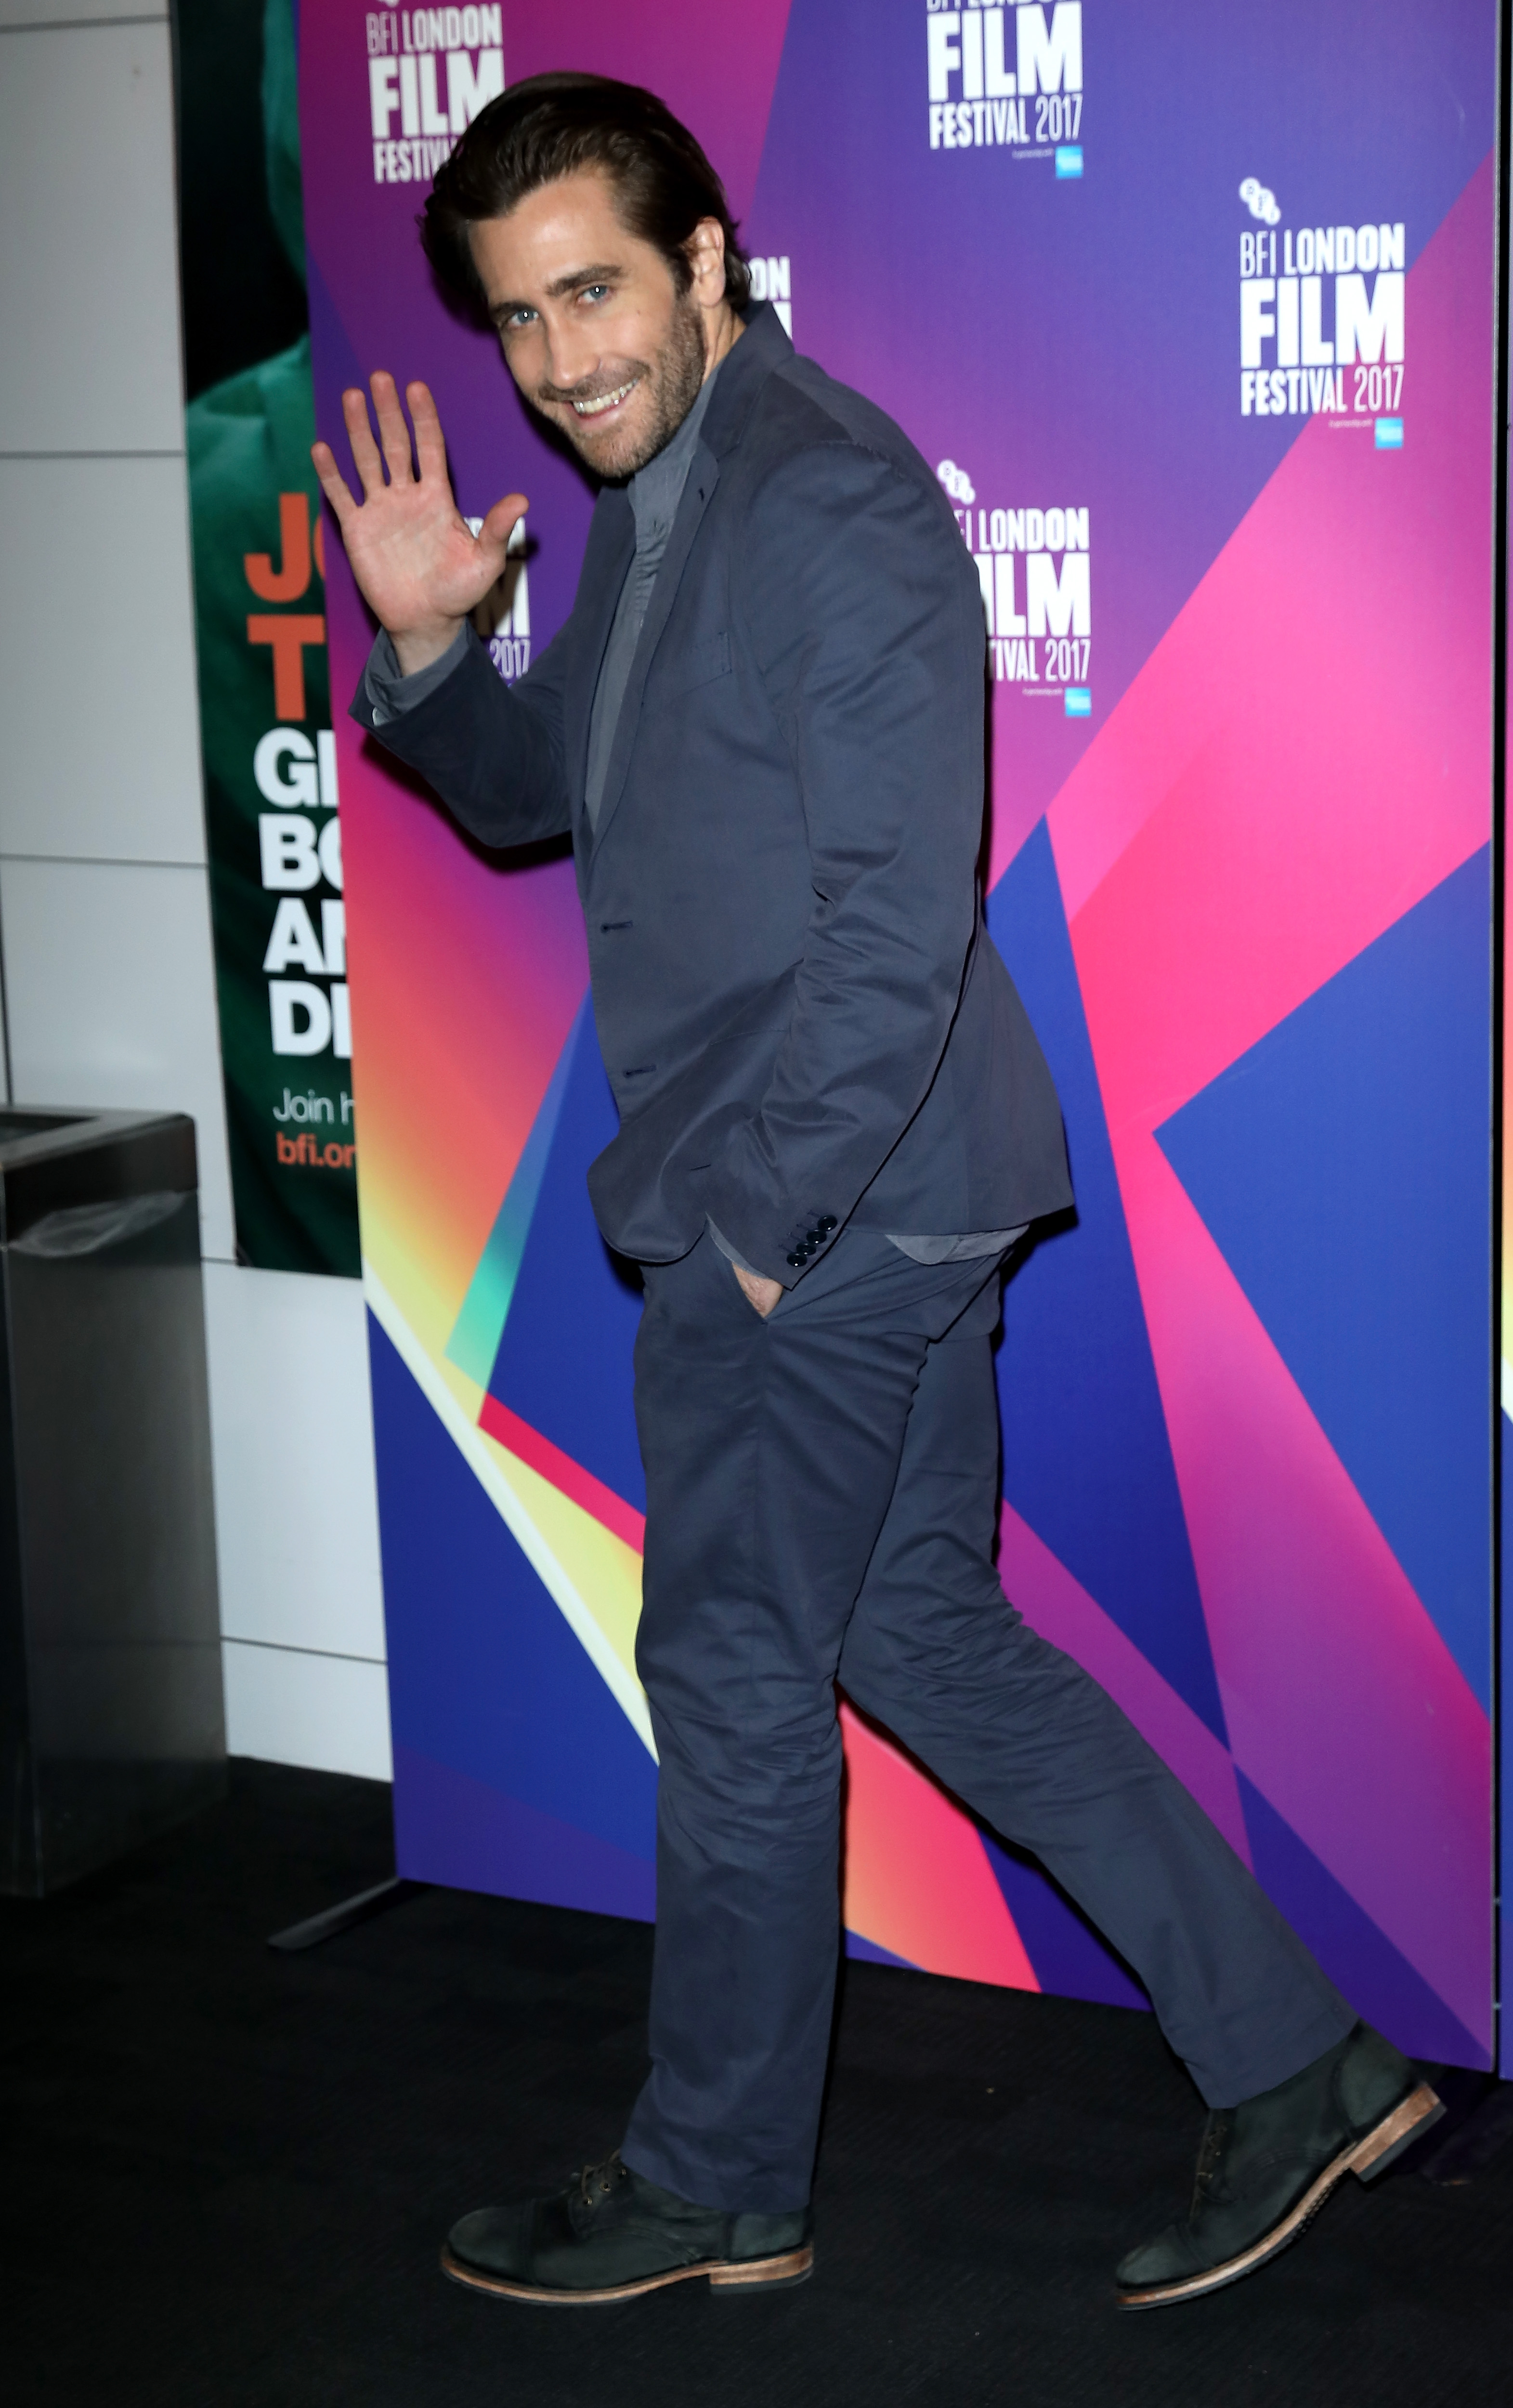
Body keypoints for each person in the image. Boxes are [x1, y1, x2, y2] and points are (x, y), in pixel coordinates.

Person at [314, 72, 1442, 2313]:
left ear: (702, 260)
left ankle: (716, 2178)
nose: (559, 361)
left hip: (830, 1199)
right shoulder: (657, 491)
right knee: (917, 1632)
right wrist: (435, 648)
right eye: (521, 318)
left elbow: (891, 926)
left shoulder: (822, 495)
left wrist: (758, 1232)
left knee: (736, 1669)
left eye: (594, 295)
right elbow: (545, 795)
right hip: (861, 1194)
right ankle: (1298, 2059)